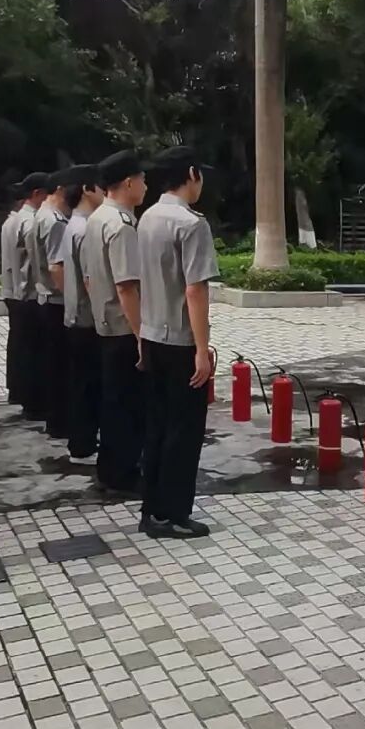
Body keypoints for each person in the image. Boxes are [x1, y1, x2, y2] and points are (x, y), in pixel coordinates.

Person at [136, 146, 218, 540]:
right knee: (183, 432)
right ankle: (173, 513)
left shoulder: (147, 217)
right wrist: (202, 350)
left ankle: (152, 510)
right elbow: (195, 290)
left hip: (152, 336)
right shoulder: (191, 224)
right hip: (181, 342)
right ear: (191, 174)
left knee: (157, 426)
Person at [80, 150, 147, 493]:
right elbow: (127, 287)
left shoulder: (95, 219)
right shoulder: (121, 225)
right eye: (143, 180)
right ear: (128, 183)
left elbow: (89, 279)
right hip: (123, 328)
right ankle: (123, 473)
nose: (146, 187)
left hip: (104, 324)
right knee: (127, 405)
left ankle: (110, 469)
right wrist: (141, 336)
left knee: (113, 401)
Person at [57, 165, 104, 462]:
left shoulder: (71, 224)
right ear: (87, 189)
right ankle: (84, 443)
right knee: (88, 386)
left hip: (75, 315)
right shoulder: (85, 228)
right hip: (87, 319)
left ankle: (81, 440)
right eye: (101, 186)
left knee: (81, 383)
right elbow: (91, 280)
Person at [31, 169, 71, 440]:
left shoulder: (41, 215)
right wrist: (73, 297)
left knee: (53, 365)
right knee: (61, 368)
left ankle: (55, 419)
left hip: (44, 298)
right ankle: (60, 423)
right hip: (57, 301)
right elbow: (57, 267)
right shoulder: (55, 221)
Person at [13, 172, 50, 420]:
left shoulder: (17, 218)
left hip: (19, 293)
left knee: (25, 351)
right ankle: (33, 404)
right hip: (30, 295)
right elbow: (37, 262)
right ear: (38, 194)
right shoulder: (30, 221)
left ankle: (26, 399)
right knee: (34, 354)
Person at [0, 188, 23, 405]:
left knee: (17, 342)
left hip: (12, 289)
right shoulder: (20, 222)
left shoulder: (10, 222)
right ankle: (20, 390)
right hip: (20, 291)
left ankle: (16, 390)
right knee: (24, 345)